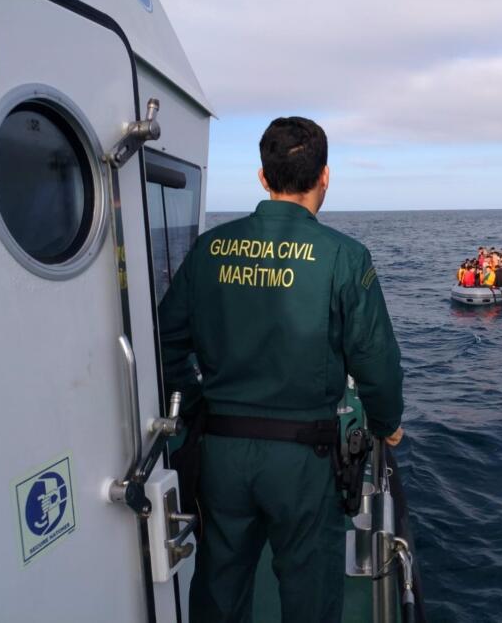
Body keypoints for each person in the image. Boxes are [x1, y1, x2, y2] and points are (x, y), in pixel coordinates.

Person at [158, 116, 405, 623]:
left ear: (263, 178)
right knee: (309, 596)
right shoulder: (345, 257)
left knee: (219, 588)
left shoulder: (209, 249)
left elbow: (165, 340)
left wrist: (199, 401)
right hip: (304, 461)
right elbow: (375, 362)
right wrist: (386, 424)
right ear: (325, 177)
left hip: (221, 453)